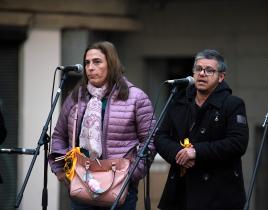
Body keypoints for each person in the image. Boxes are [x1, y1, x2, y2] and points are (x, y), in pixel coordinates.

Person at [49, 41, 156, 210]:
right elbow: (58, 136)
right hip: (81, 184)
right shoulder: (76, 96)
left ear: (111, 64)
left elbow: (150, 141)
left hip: (120, 187)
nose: (90, 67)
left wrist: (131, 174)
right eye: (87, 63)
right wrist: (62, 171)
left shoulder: (136, 97)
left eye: (97, 61)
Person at [155, 49, 249, 210]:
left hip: (219, 194)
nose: (202, 74)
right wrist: (180, 154)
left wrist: (196, 152)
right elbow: (160, 137)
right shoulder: (179, 101)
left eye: (209, 70)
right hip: (181, 190)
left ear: (221, 77)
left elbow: (237, 143)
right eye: (198, 69)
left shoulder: (233, 104)